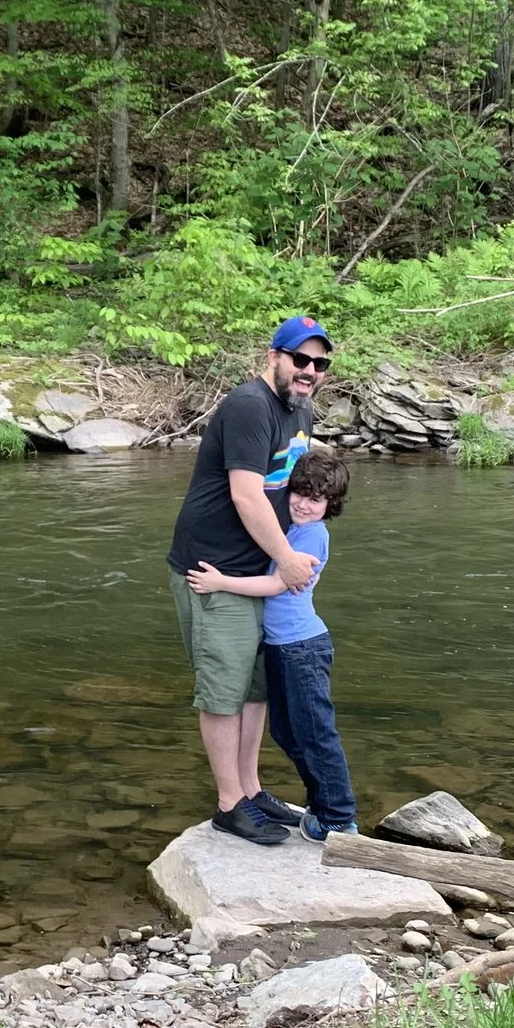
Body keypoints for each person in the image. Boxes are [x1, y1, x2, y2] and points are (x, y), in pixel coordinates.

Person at [164, 315, 331, 845]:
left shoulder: (299, 407)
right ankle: (228, 804)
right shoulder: (249, 406)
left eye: (320, 363)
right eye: (300, 359)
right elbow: (246, 493)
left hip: (257, 567)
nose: (309, 371)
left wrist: (306, 545)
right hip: (215, 569)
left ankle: (252, 789)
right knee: (223, 691)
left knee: (256, 691)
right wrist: (286, 559)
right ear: (273, 357)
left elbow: (297, 484)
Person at [185, 448, 357, 841]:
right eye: (298, 493)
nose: (303, 504)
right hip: (284, 647)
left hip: (303, 646)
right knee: (288, 732)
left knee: (314, 732)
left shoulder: (313, 535)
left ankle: (338, 816)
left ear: (330, 504)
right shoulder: (292, 528)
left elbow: (278, 584)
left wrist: (222, 583)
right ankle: (321, 802)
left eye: (315, 499)